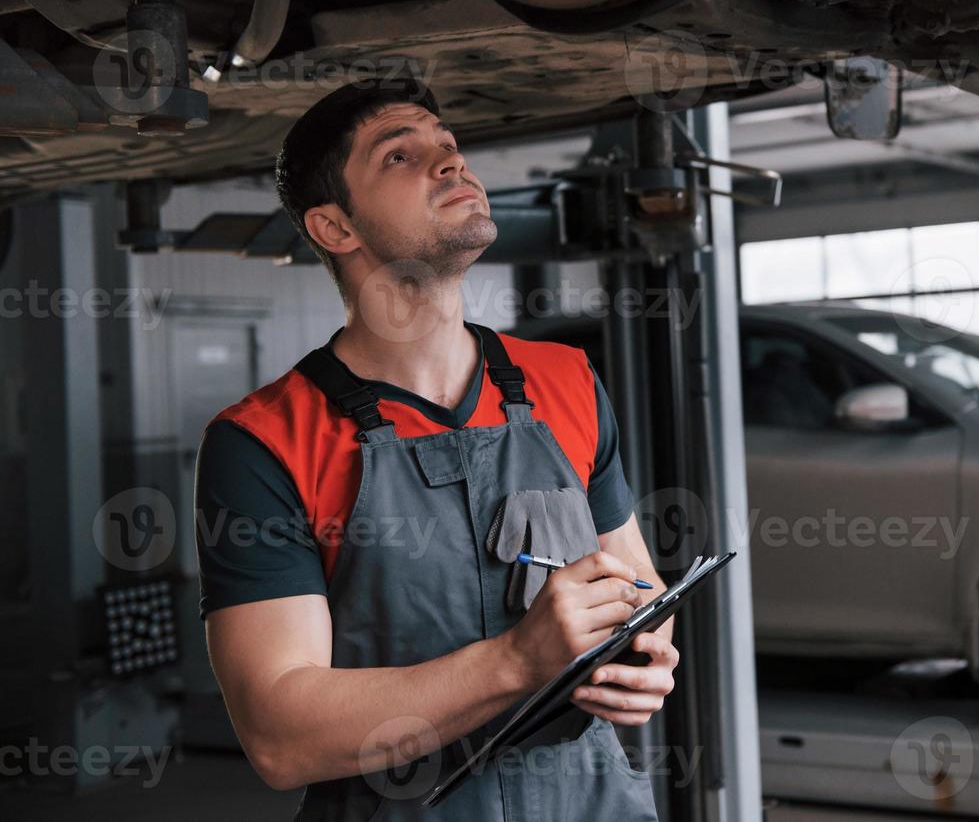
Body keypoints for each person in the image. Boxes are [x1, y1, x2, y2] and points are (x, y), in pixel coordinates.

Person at [193, 78, 672, 820]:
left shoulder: (566, 379)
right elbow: (280, 734)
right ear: (334, 228)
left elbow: (637, 584)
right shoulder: (263, 440)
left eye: (448, 146)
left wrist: (646, 653)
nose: (449, 163)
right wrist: (519, 660)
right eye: (400, 155)